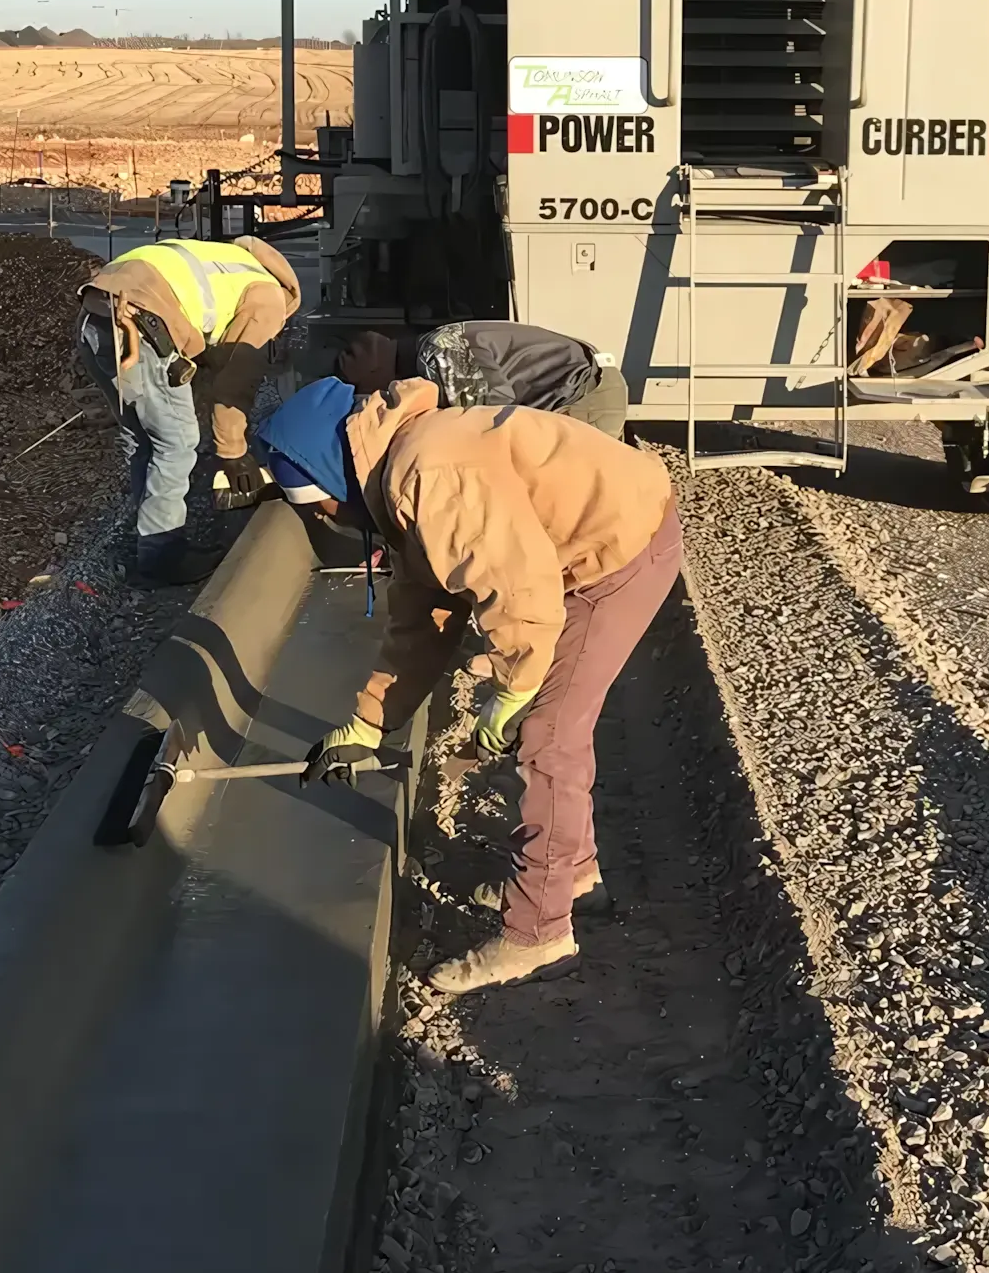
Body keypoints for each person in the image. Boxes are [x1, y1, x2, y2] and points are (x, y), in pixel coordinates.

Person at [256, 375, 680, 996]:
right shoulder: (400, 469)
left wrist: (511, 691)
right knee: (548, 723)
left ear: (332, 478)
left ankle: (538, 932)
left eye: (319, 507)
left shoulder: (430, 475)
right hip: (593, 537)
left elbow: (521, 595)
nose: (327, 521)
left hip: (616, 552)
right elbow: (424, 616)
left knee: (546, 733)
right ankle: (572, 875)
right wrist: (370, 721)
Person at [74, 234, 301, 585]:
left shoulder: (225, 263)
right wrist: (233, 452)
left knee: (144, 438)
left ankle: (149, 537)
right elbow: (235, 380)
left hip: (95, 319)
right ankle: (161, 558)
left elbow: (208, 348)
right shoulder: (269, 298)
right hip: (139, 326)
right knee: (176, 444)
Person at [337, 321, 627, 437]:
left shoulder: (439, 358)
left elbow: (493, 426)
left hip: (584, 399)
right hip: (586, 385)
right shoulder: (437, 342)